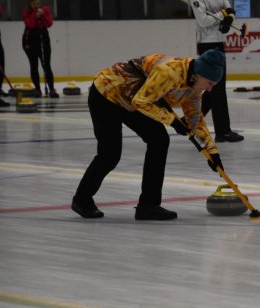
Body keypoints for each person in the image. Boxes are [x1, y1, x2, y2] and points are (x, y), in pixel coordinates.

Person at [72, 50, 226, 220]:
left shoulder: (194, 89)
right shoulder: (169, 72)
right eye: (210, 83)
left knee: (159, 140)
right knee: (110, 153)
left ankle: (148, 205)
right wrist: (172, 121)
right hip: (107, 93)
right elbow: (142, 102)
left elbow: (195, 121)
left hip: (132, 99)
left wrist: (213, 152)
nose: (210, 89)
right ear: (199, 74)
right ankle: (82, 200)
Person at [189, 0, 243, 143]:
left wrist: (229, 19)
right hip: (206, 44)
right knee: (216, 89)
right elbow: (203, 21)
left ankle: (192, 122)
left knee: (217, 89)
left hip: (219, 41)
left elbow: (230, 10)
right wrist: (222, 14)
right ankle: (222, 131)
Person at [22, 0, 58, 98]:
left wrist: (42, 15)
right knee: (34, 65)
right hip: (30, 40)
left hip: (43, 38)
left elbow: (49, 23)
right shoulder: (26, 12)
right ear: (30, 5)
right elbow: (30, 24)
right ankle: (37, 89)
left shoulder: (45, 10)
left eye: (38, 3)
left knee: (46, 64)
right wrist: (35, 14)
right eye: (34, 4)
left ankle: (51, 89)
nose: (37, 6)